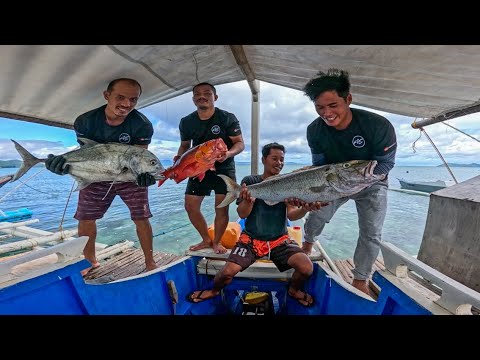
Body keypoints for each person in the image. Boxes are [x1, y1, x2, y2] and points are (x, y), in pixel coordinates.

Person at [186, 142, 323, 306]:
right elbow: (242, 214)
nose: (279, 163)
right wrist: (249, 201)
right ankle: (214, 290)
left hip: (279, 240)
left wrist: (306, 209)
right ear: (264, 159)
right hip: (250, 240)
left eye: (281, 160)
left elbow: (292, 216)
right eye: (274, 158)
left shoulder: (288, 182)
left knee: (307, 268)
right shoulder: (250, 180)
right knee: (226, 273)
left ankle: (293, 290)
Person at [44, 78, 158, 275]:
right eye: (120, 97)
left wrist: (144, 175)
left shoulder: (142, 125)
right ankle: (90, 262)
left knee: (142, 217)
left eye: (133, 99)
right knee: (86, 218)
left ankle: (150, 262)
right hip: (95, 174)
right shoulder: (85, 121)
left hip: (128, 176)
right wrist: (62, 166)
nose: (126, 104)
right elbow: (86, 154)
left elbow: (141, 156)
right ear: (107, 95)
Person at [302, 68, 397, 295]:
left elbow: (385, 164)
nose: (327, 113)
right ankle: (307, 242)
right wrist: (313, 194)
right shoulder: (314, 131)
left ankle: (361, 278)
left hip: (372, 181)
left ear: (349, 99)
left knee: (371, 230)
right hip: (334, 180)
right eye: (320, 107)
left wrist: (360, 181)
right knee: (318, 213)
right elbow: (319, 166)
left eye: (333, 105)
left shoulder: (378, 126)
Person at [173, 82, 245, 254]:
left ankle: (217, 242)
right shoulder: (186, 122)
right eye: (197, 94)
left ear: (215, 97)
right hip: (199, 167)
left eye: (207, 93)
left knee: (221, 207)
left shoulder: (227, 118)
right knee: (190, 205)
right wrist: (177, 163)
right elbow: (184, 146)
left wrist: (227, 154)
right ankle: (206, 239)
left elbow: (240, 143)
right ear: (193, 99)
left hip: (224, 168)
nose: (202, 96)